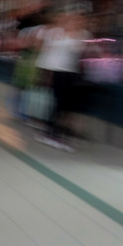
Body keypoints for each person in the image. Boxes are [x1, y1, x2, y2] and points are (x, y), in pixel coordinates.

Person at [34, 11, 88, 150]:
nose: (77, 23)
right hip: (59, 72)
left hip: (71, 73)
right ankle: (53, 134)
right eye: (74, 20)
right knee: (60, 104)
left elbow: (82, 51)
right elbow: (45, 48)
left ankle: (54, 132)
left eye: (79, 21)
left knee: (66, 105)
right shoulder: (57, 33)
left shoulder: (82, 35)